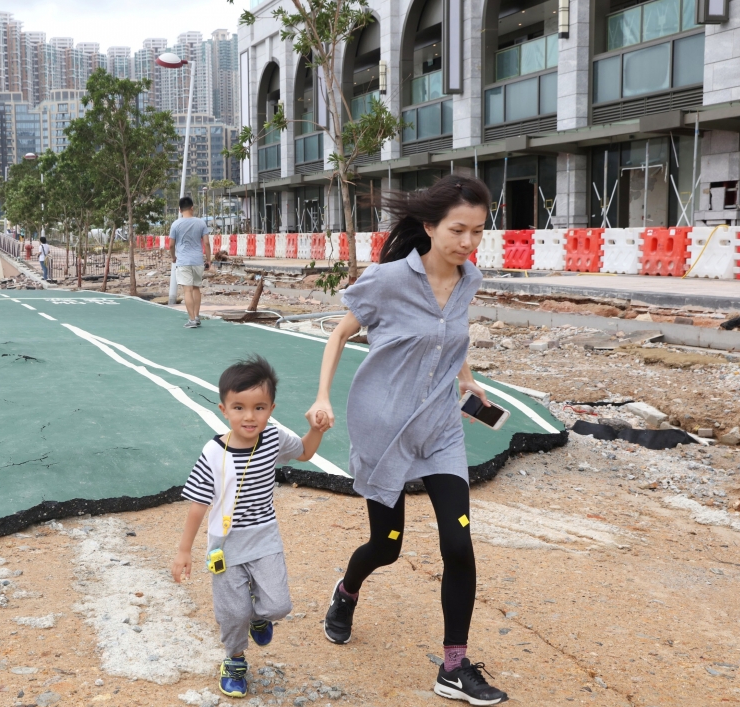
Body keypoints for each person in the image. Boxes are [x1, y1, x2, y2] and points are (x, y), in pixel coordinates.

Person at [305, 175, 509, 705]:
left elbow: (451, 333)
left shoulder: (468, 279)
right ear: (430, 227)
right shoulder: (389, 279)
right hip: (385, 427)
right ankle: (346, 591)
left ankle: (454, 667)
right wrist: (322, 396)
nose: (468, 242)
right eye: (458, 230)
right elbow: (339, 333)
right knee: (387, 546)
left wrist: (467, 379)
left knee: (458, 545)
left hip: (440, 429)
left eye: (477, 232)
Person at [172, 356, 329, 698]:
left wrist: (316, 430)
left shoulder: (273, 436)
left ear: (271, 408)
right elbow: (198, 505)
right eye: (239, 407)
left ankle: (258, 617)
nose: (249, 416)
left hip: (264, 536)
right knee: (232, 612)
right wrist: (184, 550)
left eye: (259, 407)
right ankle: (234, 659)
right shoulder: (213, 453)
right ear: (223, 409)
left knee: (278, 606)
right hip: (225, 544)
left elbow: (304, 452)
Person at [168, 196, 211, 329]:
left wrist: (173, 257)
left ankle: (192, 319)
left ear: (180, 210)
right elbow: (207, 243)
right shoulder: (201, 223)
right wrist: (209, 259)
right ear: (192, 208)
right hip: (198, 261)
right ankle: (197, 317)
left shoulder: (175, 224)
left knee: (187, 290)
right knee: (196, 288)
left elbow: (171, 245)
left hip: (183, 261)